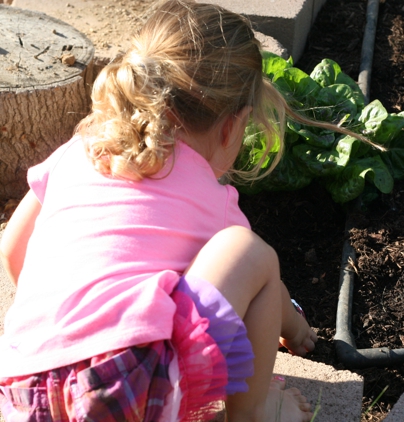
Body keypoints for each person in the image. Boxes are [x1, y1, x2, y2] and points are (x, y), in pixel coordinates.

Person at [0, 1, 374, 420]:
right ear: (233, 126)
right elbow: (259, 286)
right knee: (251, 253)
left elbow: (14, 251)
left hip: (23, 390)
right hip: (126, 386)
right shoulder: (217, 203)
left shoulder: (76, 152)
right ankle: (255, 412)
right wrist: (295, 326)